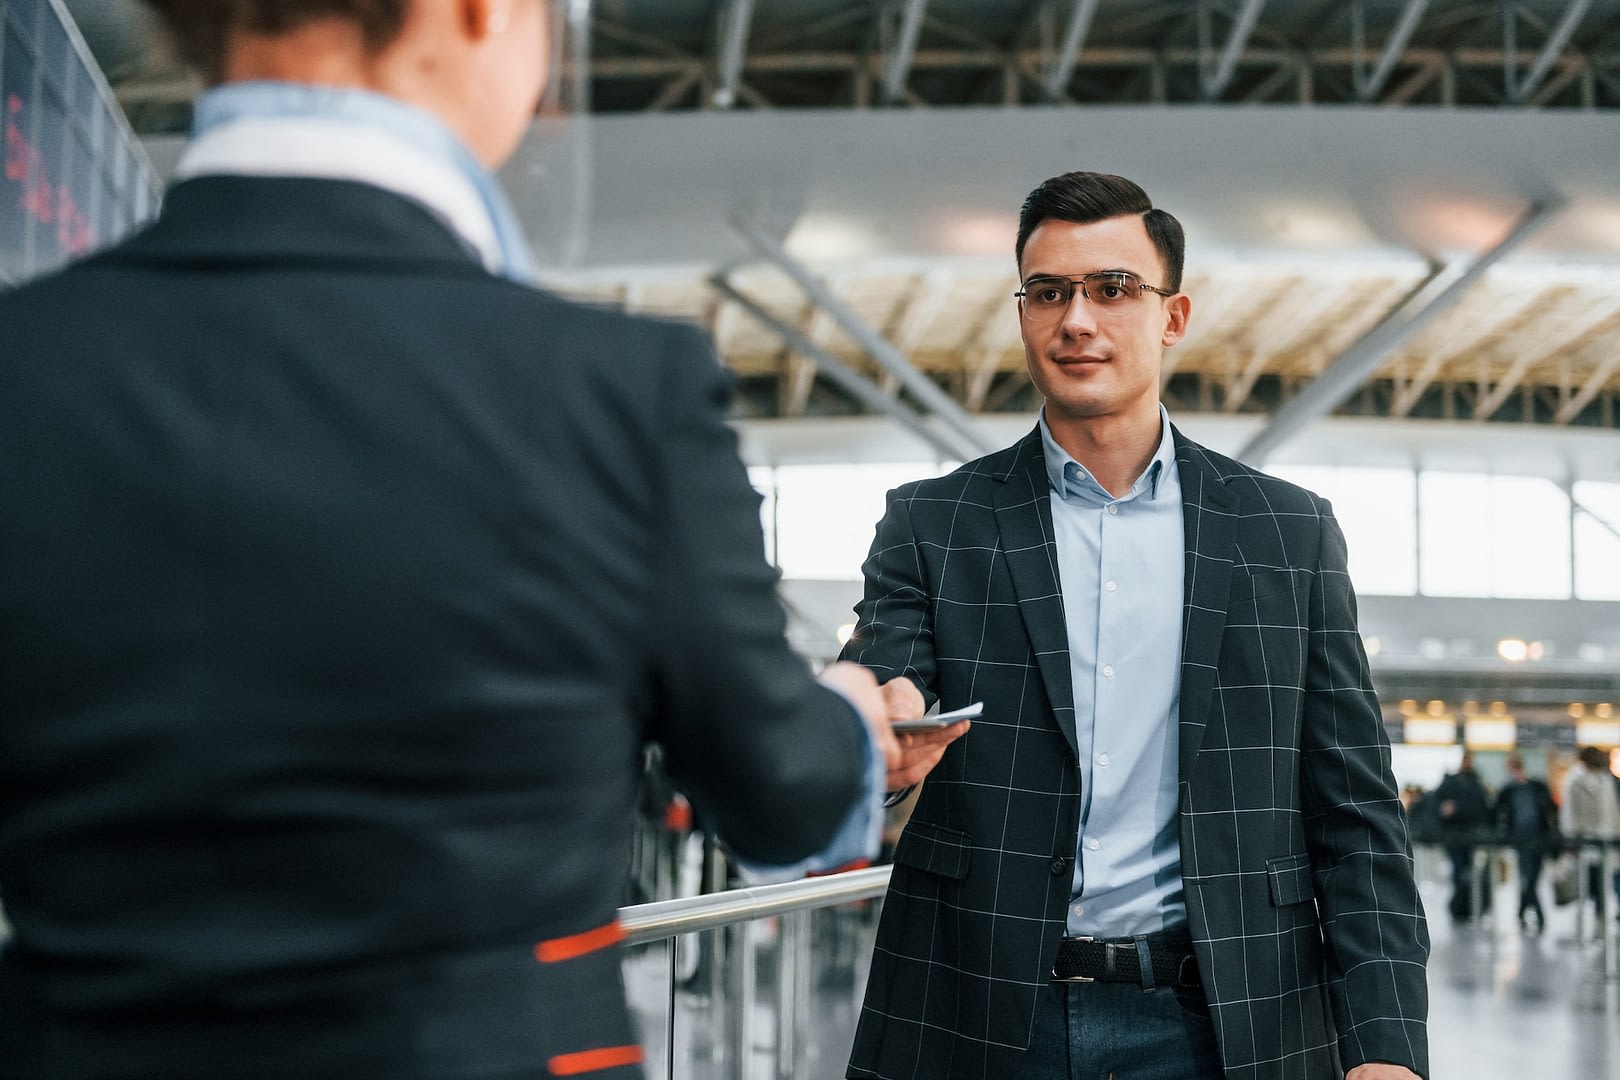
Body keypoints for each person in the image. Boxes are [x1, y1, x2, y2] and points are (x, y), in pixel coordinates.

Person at [0, 2, 898, 1077]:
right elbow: (779, 793)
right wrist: (850, 720)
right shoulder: (613, 394)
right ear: (484, 12)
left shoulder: (27, 368)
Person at [841, 171, 1429, 1080]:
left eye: (1113, 288)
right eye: (1048, 291)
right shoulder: (934, 521)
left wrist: (1386, 1047)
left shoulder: (1286, 531)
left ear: (1173, 316)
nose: (1077, 318)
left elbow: (1354, 811)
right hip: (980, 1014)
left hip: (1230, 1022)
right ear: (1025, 311)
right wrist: (878, 721)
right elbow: (886, 670)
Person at [1491, 753, 1558, 933]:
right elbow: (1498, 812)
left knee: (1533, 878)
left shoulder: (1537, 787)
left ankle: (1521, 912)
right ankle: (1539, 915)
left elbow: (1551, 808)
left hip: (1539, 839)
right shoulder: (1508, 791)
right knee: (1528, 877)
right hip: (1521, 840)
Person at [1559, 746, 1620, 921]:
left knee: (1601, 881)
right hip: (1587, 840)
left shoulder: (1606, 782)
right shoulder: (1577, 782)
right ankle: (1592, 919)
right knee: (1590, 883)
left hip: (1605, 838)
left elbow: (1612, 812)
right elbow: (1571, 815)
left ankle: (1599, 919)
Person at [1432, 750, 1493, 923]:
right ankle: (1461, 908)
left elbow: (1479, 810)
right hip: (1455, 837)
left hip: (1468, 837)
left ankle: (1466, 908)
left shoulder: (1474, 783)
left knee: (1466, 873)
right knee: (1460, 873)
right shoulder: (1458, 783)